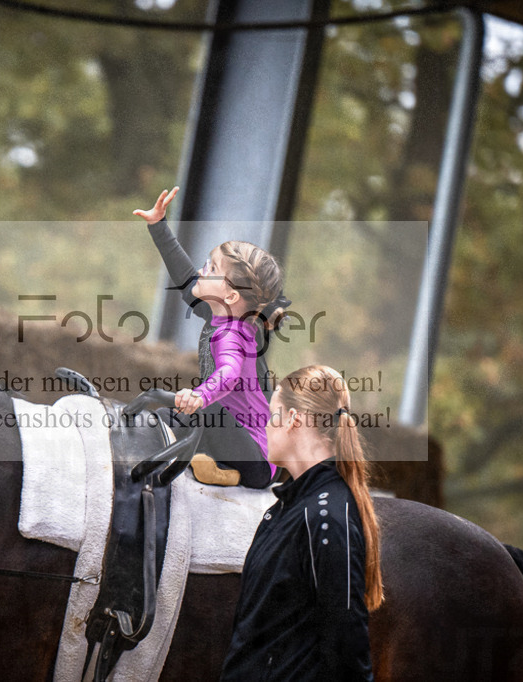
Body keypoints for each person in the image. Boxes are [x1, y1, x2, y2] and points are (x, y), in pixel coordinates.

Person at [221, 365, 383, 681]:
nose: (265, 426)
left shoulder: (326, 516)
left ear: (294, 419)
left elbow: (348, 649)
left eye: (273, 414)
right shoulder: (285, 510)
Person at [133, 188, 291, 488]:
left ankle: (226, 471)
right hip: (232, 438)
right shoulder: (220, 313)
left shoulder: (235, 333)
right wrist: (158, 226)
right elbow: (185, 281)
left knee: (202, 409)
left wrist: (201, 395)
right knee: (170, 415)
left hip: (257, 459)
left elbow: (230, 373)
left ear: (231, 295)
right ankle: (218, 467)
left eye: (212, 268)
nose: (202, 270)